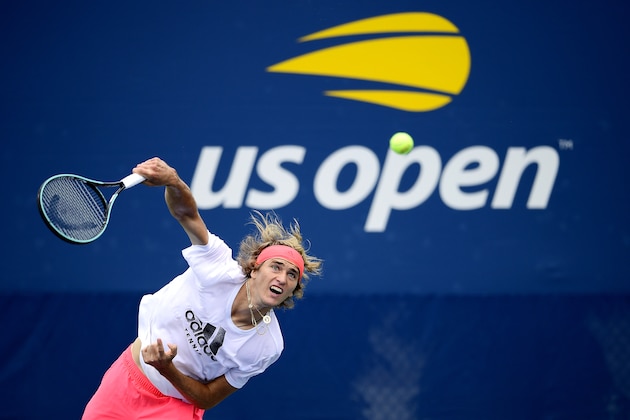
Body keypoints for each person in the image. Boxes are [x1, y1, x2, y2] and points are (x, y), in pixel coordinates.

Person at [82, 157, 323, 419]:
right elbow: (187, 214)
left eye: (292, 275)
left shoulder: (267, 346)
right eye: (275, 267)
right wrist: (173, 182)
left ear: (293, 290)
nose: (282, 278)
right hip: (125, 382)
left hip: (174, 409)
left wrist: (168, 369)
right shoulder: (218, 267)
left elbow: (207, 398)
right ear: (254, 268)